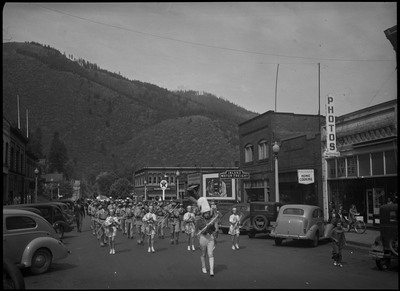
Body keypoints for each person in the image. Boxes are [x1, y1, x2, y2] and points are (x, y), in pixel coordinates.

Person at [195, 197, 220, 277]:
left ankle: (212, 270)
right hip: (203, 238)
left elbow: (213, 230)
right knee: (203, 254)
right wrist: (205, 227)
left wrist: (212, 225)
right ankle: (203, 267)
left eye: (208, 213)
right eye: (205, 213)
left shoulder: (212, 219)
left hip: (210, 238)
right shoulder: (199, 220)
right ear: (203, 213)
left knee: (210, 254)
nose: (207, 214)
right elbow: (199, 230)